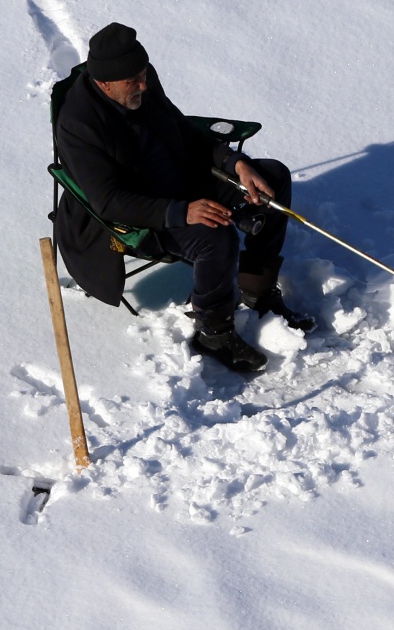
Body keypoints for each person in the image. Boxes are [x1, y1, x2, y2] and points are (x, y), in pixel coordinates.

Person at [52, 22, 312, 372]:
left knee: (272, 178)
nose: (144, 85)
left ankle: (256, 288)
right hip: (144, 212)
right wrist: (181, 211)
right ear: (104, 83)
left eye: (144, 74)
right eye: (133, 81)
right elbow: (108, 201)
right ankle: (214, 332)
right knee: (213, 236)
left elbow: (183, 130)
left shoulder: (141, 83)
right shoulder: (79, 122)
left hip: (184, 180)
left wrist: (236, 164)